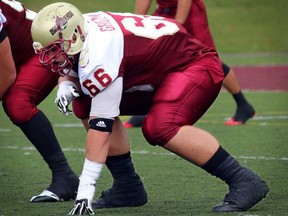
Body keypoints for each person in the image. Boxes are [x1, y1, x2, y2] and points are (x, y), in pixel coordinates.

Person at [31, 2, 268, 215]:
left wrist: (85, 191)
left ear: (74, 36)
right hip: (158, 68)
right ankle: (127, 187)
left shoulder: (100, 52)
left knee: (159, 127)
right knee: (85, 99)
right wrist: (66, 84)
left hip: (193, 65)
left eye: (54, 49)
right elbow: (71, 64)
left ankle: (243, 179)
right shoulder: (81, 28)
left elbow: (100, 127)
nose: (50, 57)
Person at [124, 0, 256, 128]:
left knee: (207, 58)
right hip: (164, 12)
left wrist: (177, 25)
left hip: (188, 14)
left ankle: (243, 104)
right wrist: (139, 22)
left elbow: (182, 11)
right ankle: (144, 110)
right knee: (155, 57)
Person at [0, 0, 79, 202]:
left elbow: (7, 74)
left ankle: (65, 176)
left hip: (43, 49)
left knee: (17, 104)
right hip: (14, 52)